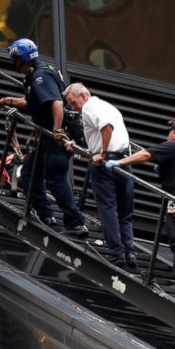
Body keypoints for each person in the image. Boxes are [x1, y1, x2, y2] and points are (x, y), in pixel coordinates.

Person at [0, 38, 89, 237]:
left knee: (55, 178)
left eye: (15, 59)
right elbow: (33, 102)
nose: (13, 63)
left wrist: (56, 130)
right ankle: (46, 216)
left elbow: (55, 103)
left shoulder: (41, 76)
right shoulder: (33, 76)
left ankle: (76, 223)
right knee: (29, 175)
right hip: (47, 138)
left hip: (56, 137)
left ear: (22, 58)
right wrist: (8, 100)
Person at [106, 119, 175, 291]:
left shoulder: (174, 146)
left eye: (169, 131)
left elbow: (146, 155)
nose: (167, 135)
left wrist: (120, 163)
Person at [61, 82, 137, 270]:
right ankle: (130, 251)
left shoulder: (89, 107)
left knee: (107, 207)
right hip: (123, 162)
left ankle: (117, 253)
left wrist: (102, 153)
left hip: (105, 163)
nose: (73, 108)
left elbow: (106, 127)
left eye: (73, 103)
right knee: (125, 211)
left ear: (83, 96)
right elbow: (100, 134)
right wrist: (78, 148)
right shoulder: (107, 106)